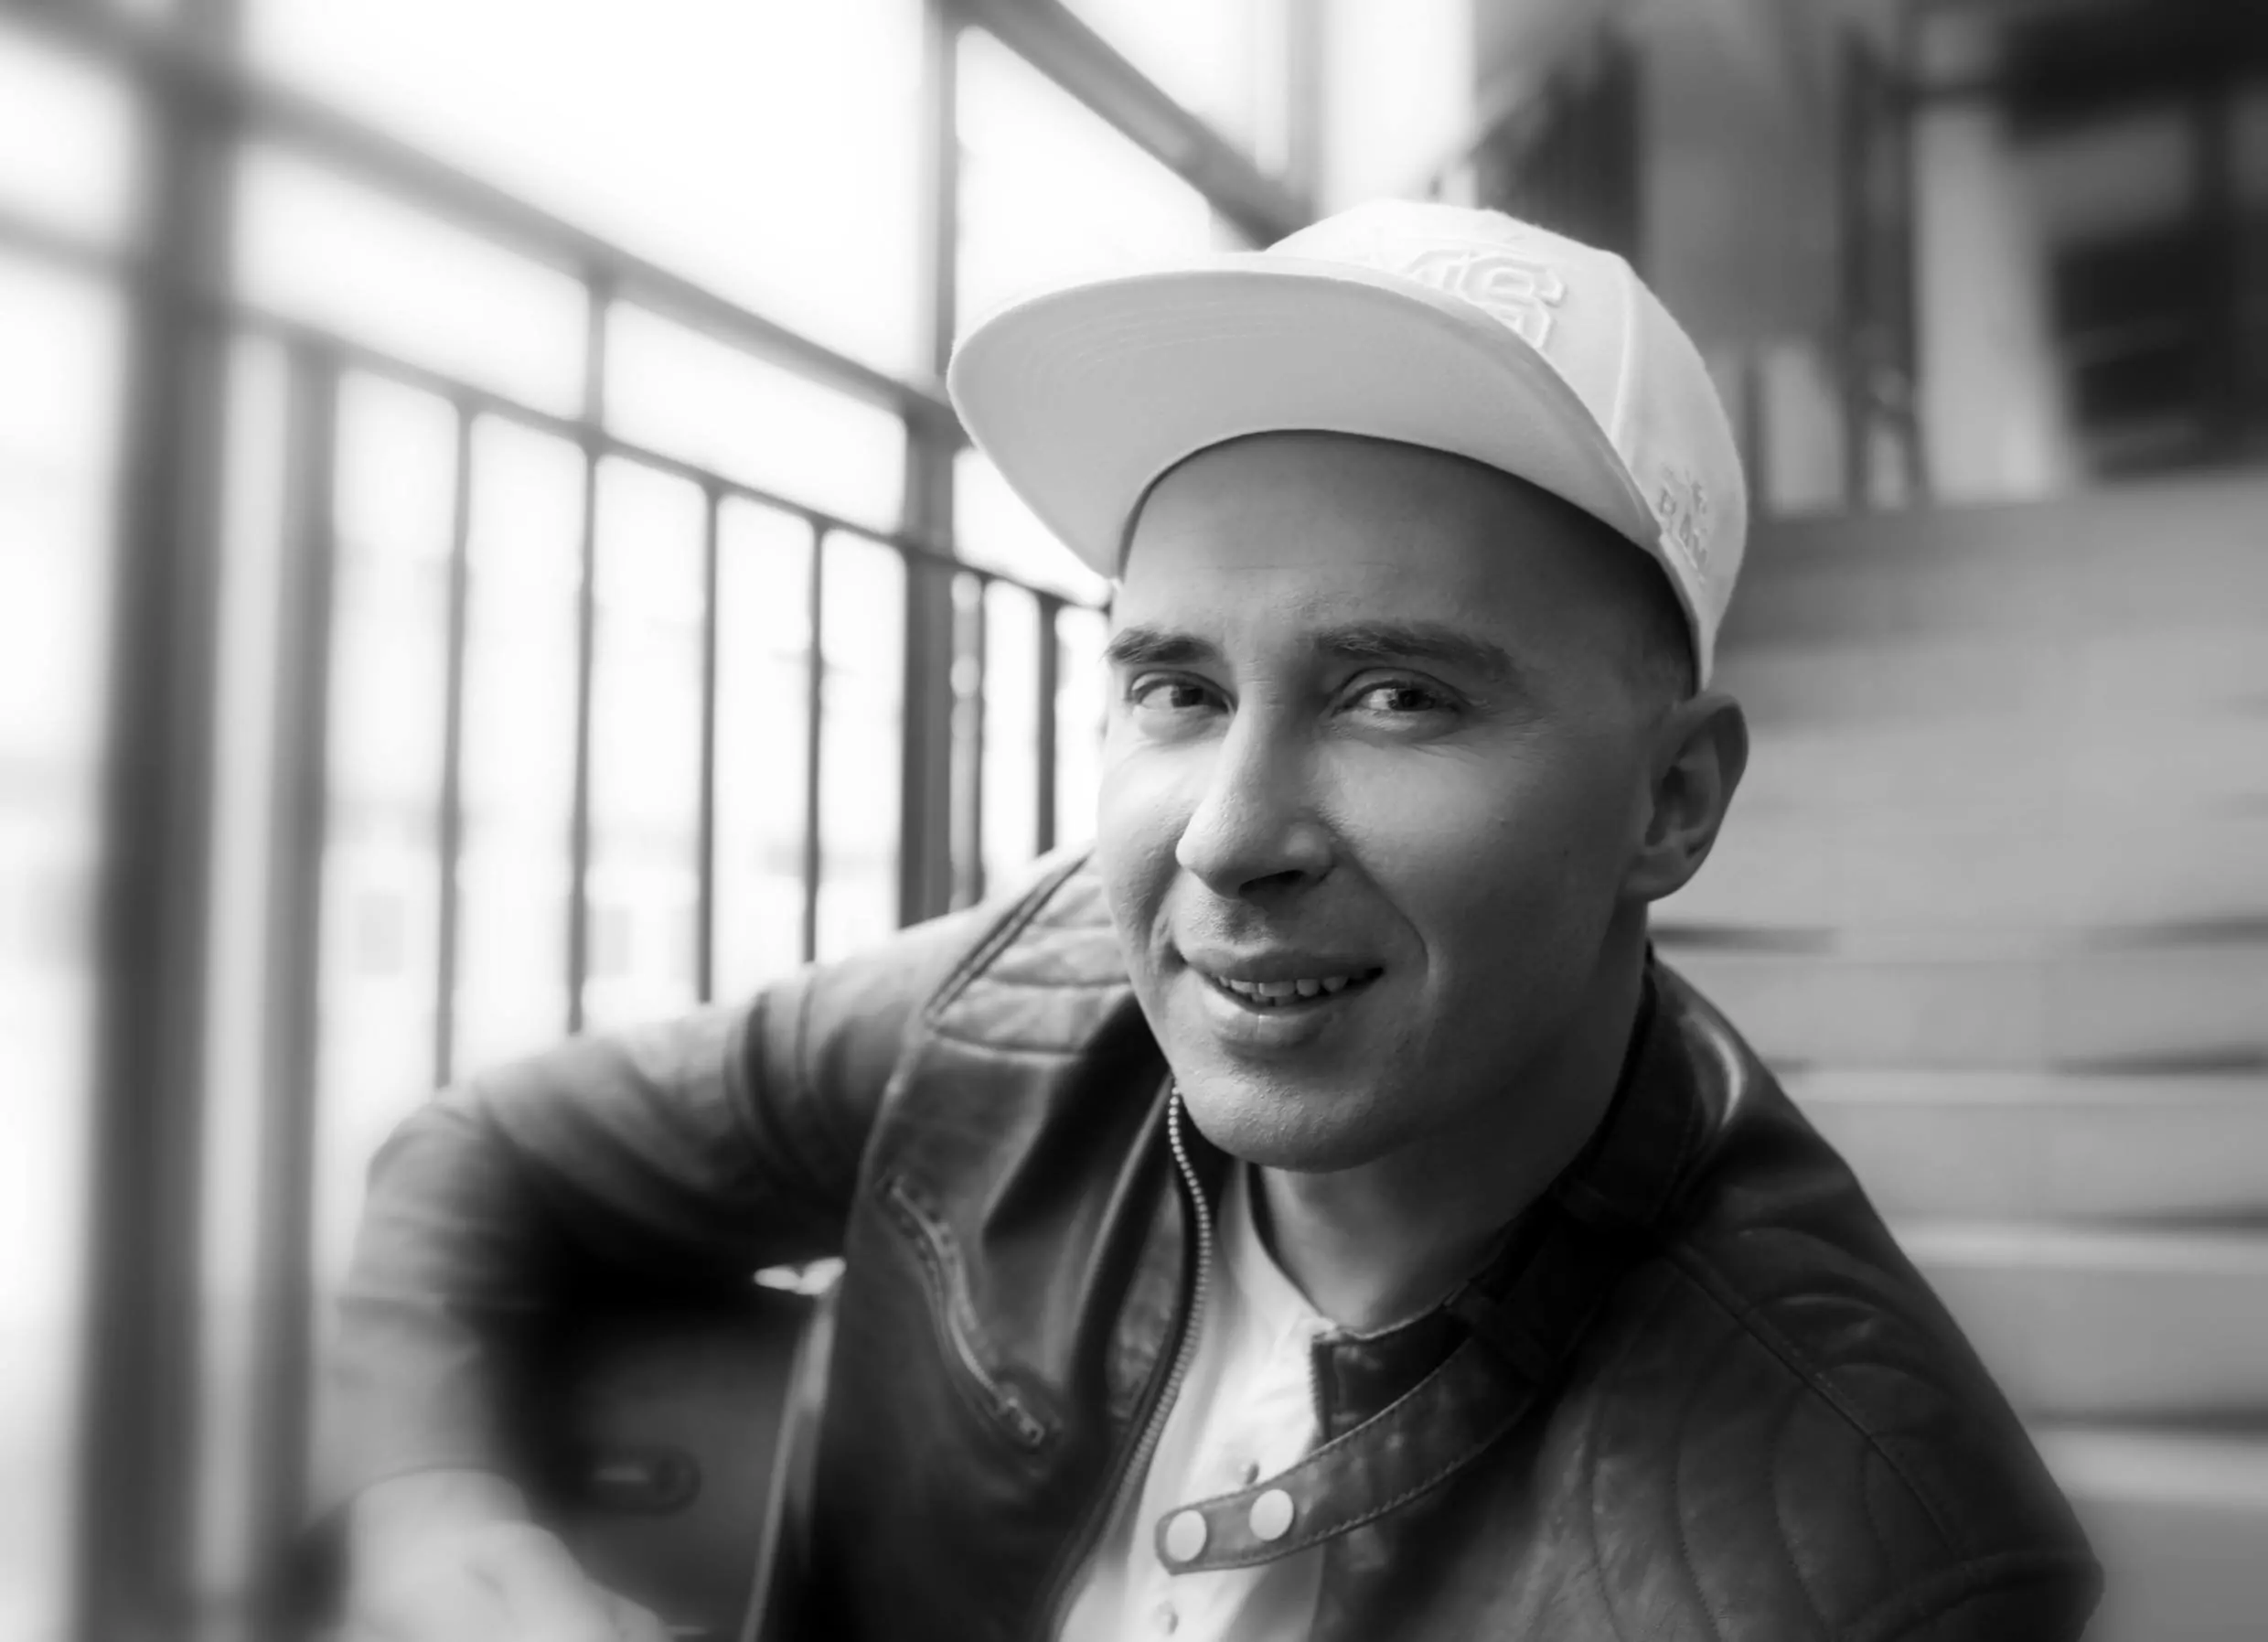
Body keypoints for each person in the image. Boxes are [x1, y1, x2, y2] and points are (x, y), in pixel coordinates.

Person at [333, 201, 2099, 1641]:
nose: (1229, 838)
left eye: (1399, 694)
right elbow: (485, 1155)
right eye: (1176, 688)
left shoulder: (1883, 1558)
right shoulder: (1018, 1006)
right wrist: (439, 1520)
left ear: (1672, 803)